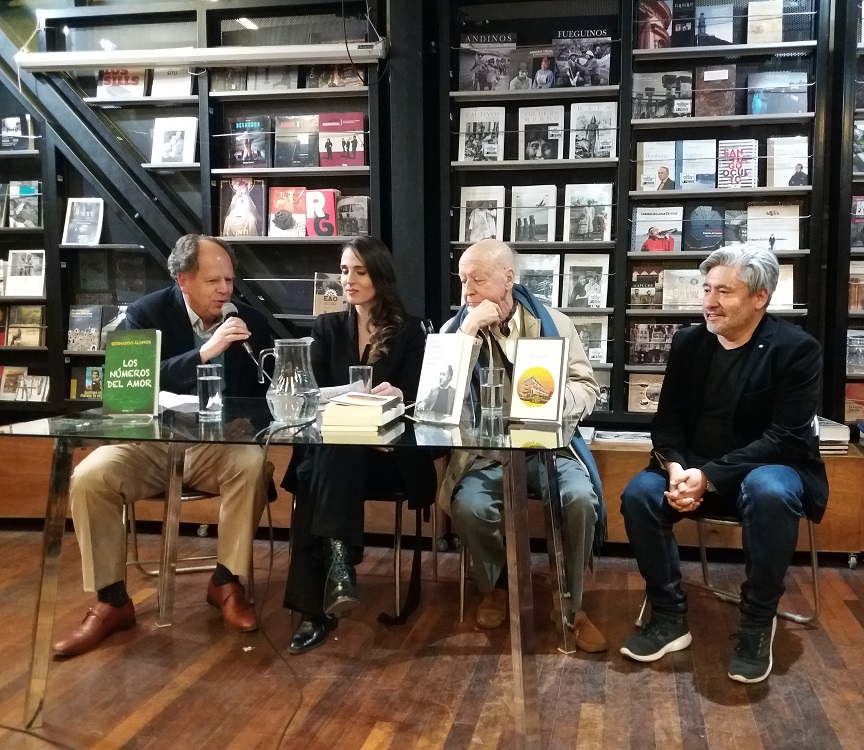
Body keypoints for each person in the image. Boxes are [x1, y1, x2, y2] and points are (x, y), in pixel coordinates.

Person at [53, 234, 274, 658]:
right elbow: (138, 381)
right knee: (89, 476)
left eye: (229, 280)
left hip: (218, 446)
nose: (226, 290)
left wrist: (252, 414)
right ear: (183, 280)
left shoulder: (250, 321)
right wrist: (207, 352)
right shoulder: (144, 313)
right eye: (214, 281)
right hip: (154, 442)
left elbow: (264, 391)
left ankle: (226, 582)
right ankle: (112, 600)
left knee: (252, 465)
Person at [619, 246, 828, 683]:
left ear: (760, 298)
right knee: (639, 494)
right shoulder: (689, 343)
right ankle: (668, 614)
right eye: (707, 289)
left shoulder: (797, 350)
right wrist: (676, 469)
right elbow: (668, 422)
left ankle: (756, 621)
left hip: (771, 467)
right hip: (693, 467)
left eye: (725, 292)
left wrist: (709, 476)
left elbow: (784, 438)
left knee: (769, 491)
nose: (709, 302)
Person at [437, 239, 608, 653]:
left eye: (477, 279)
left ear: (508, 278)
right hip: (486, 454)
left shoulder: (554, 322)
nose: (467, 291)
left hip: (550, 449)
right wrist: (469, 331)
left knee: (579, 499)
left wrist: (552, 405)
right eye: (462, 281)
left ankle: (569, 603)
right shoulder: (454, 331)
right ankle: (495, 585)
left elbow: (588, 386)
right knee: (470, 506)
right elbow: (438, 399)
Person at [281, 237, 437, 654]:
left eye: (358, 271)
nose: (347, 280)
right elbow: (310, 395)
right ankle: (338, 569)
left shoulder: (411, 331)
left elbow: (423, 400)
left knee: (316, 472)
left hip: (390, 452)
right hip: (342, 452)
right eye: (344, 270)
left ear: (379, 275)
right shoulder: (327, 327)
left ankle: (317, 605)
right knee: (335, 446)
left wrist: (394, 400)